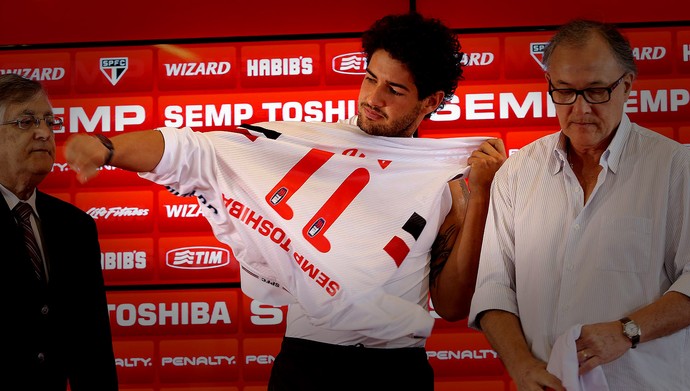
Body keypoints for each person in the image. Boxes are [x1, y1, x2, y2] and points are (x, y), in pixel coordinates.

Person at [65, 12, 506, 390]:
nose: (373, 99)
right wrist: (108, 148)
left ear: (431, 102)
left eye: (395, 90)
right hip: (308, 363)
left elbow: (451, 306)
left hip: (396, 371)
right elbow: (200, 149)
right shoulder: (307, 144)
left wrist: (481, 196)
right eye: (370, 78)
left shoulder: (447, 179)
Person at [468, 19, 690, 390]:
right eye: (565, 92)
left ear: (627, 85)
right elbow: (494, 288)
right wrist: (521, 366)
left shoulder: (675, 168)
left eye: (597, 91)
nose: (581, 108)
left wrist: (627, 332)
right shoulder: (518, 172)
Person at [0, 73, 119, 390]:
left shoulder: (75, 226)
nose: (43, 133)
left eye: (49, 123)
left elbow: (92, 347)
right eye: (26, 123)